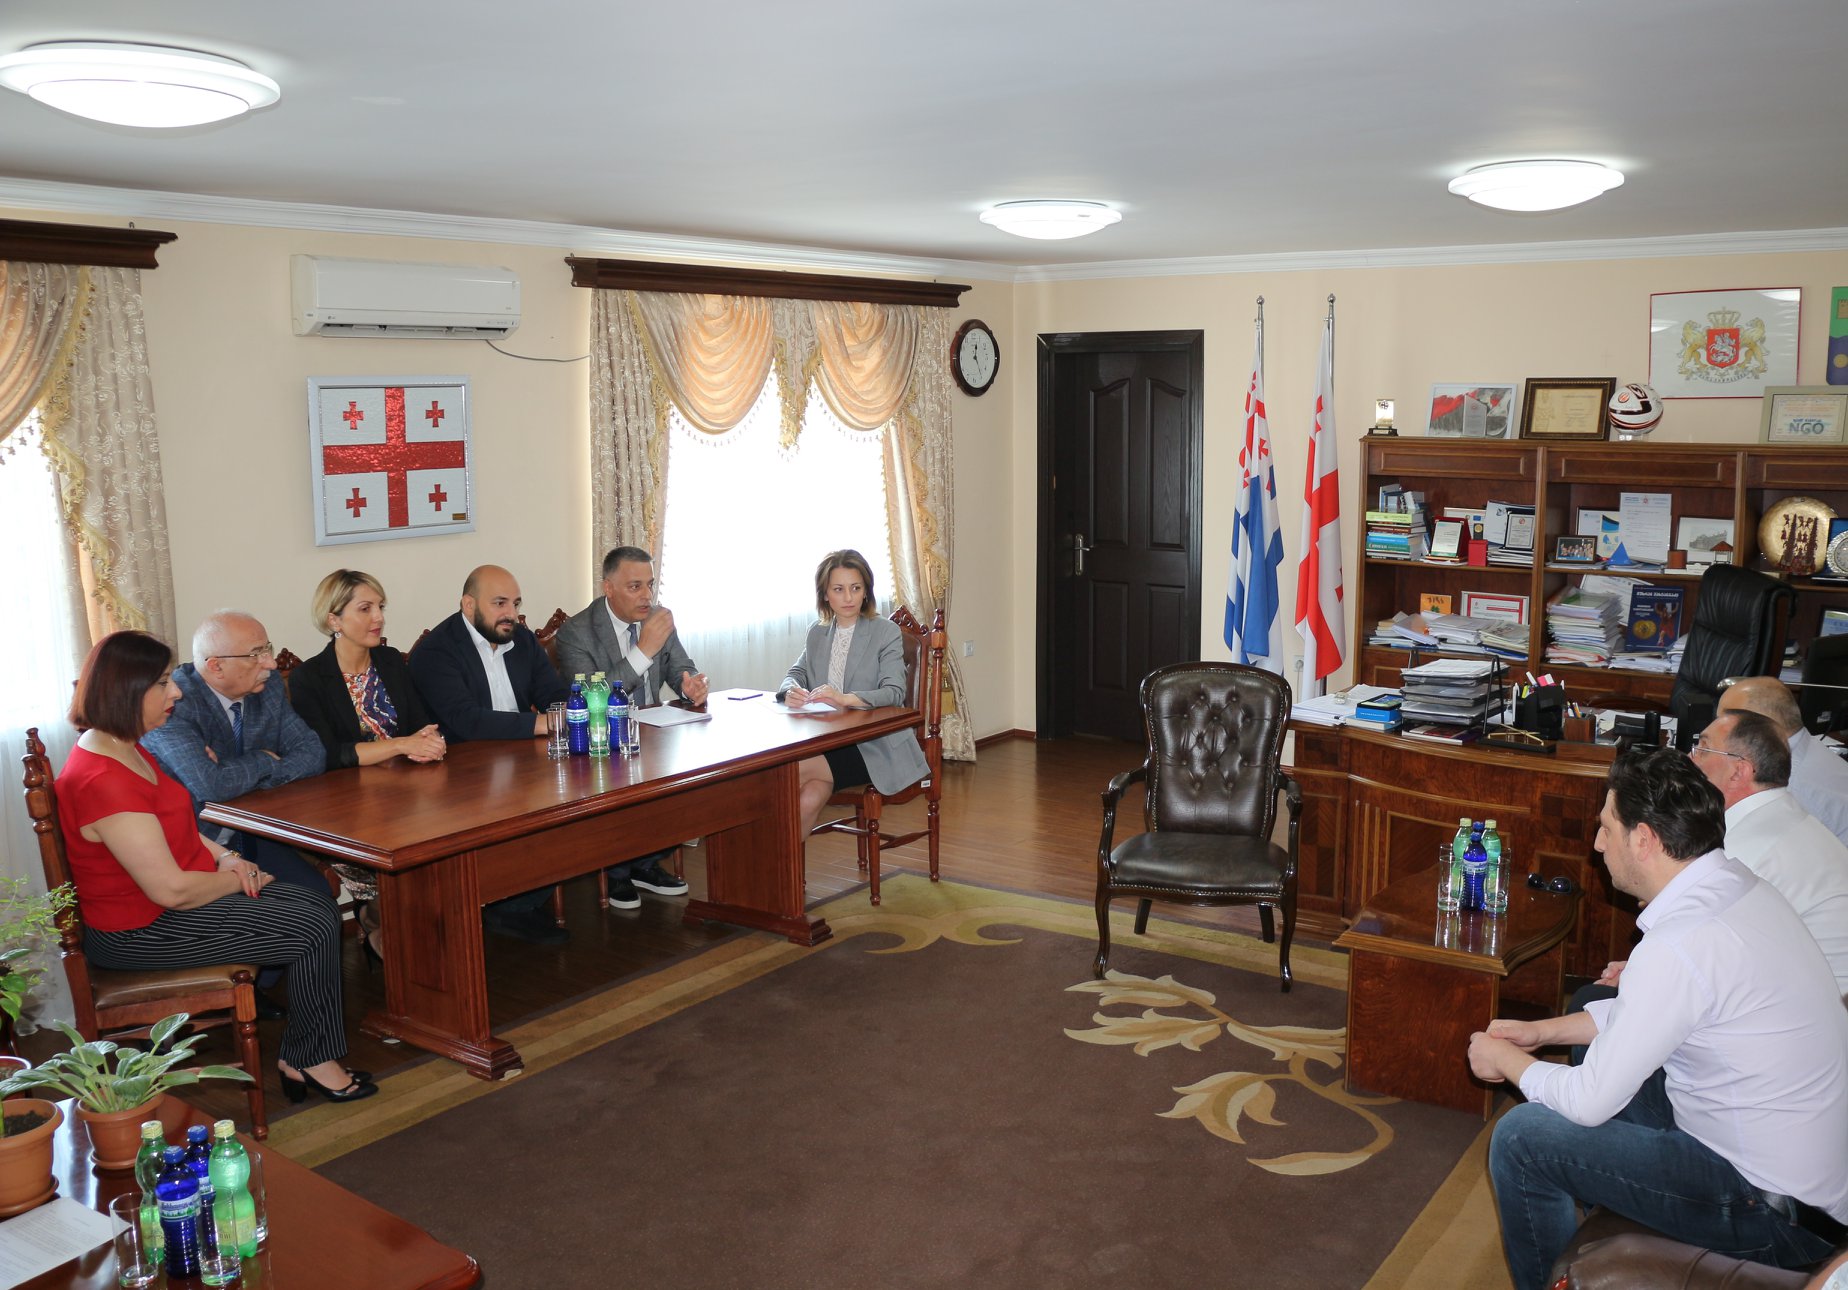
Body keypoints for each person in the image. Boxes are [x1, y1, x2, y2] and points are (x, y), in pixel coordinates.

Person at [1469, 747, 1848, 1290]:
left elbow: (1588, 1100)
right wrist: (1540, 1032)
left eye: (1606, 828)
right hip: (1804, 1177)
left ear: (1644, 839)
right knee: (1591, 1032)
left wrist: (1505, 1058)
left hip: (1774, 1213)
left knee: (1521, 1138)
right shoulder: (1736, 884)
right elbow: (1650, 1013)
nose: (1598, 844)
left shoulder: (1679, 943)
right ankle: (1611, 1204)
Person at [58, 631, 375, 1103]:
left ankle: (307, 1053)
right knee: (311, 922)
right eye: (162, 683)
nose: (176, 692)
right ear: (127, 691)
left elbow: (176, 825)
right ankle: (311, 1057)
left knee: (314, 904)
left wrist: (228, 857)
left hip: (168, 904)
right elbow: (171, 891)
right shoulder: (104, 779)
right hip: (140, 929)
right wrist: (234, 880)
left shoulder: (121, 745)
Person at [141, 610, 333, 1014]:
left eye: (268, 649)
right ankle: (235, 994)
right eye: (257, 654)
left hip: (252, 832)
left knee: (315, 894)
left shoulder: (267, 688)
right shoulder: (173, 702)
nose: (271, 663)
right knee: (279, 907)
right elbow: (210, 786)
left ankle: (259, 986)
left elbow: (313, 754)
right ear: (215, 666)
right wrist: (263, 758)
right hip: (195, 846)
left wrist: (238, 771)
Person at [408, 564, 570, 944]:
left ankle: (519, 902)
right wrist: (542, 724)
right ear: (469, 605)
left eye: (515, 603)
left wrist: (571, 711)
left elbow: (553, 694)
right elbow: (466, 721)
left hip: (521, 758)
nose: (511, 614)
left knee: (572, 796)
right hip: (459, 770)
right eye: (499, 603)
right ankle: (506, 907)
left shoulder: (521, 640)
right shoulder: (437, 651)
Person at [289, 569, 447, 957]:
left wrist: (430, 742)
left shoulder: (390, 661)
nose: (378, 617)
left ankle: (416, 938)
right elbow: (328, 754)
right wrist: (400, 745)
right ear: (334, 620)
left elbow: (420, 724)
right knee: (397, 873)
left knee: (445, 851)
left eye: (380, 607)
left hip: (406, 794)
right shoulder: (310, 677)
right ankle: (379, 921)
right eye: (365, 609)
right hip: (345, 809)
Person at [554, 546, 704, 909]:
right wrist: (643, 650)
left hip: (653, 732)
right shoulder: (576, 633)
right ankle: (617, 870)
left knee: (691, 775)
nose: (646, 596)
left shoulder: (658, 618)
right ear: (608, 588)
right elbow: (593, 699)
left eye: (650, 585)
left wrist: (691, 684)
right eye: (635, 586)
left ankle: (645, 863)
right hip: (601, 739)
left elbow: (681, 666)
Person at [1688, 709, 1848, 996]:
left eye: (1703, 748)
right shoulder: (1780, 816)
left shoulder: (1746, 850)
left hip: (1811, 1005)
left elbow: (1707, 957)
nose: (1690, 758)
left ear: (1738, 771)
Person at [778, 549, 928, 835]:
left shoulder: (885, 631)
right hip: (829, 741)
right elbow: (795, 673)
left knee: (785, 773)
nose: (848, 597)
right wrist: (790, 691)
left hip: (875, 745)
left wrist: (844, 699)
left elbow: (894, 692)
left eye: (856, 588)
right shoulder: (817, 632)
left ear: (866, 592)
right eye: (838, 589)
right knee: (808, 798)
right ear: (825, 595)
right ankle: (781, 865)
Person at [1719, 677, 1848, 848]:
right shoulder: (1807, 749)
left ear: (1762, 729)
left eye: (1723, 724)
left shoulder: (1788, 786)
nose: (1716, 732)